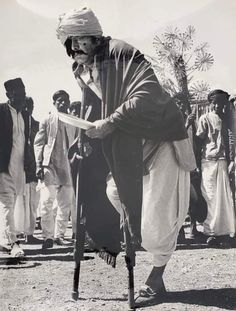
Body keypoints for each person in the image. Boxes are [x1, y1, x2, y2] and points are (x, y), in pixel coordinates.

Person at [56, 8, 196, 299]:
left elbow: (146, 92)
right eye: (68, 42)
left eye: (79, 40)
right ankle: (153, 229)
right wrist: (84, 134)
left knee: (156, 218)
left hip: (162, 137)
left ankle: (157, 275)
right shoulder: (81, 67)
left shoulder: (122, 53)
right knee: (115, 193)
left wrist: (111, 122)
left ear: (94, 36)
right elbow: (92, 103)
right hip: (129, 144)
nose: (73, 48)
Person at [34, 90, 76, 250]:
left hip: (68, 166)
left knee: (65, 204)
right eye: (60, 101)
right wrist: (39, 164)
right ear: (54, 103)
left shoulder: (74, 121)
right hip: (49, 166)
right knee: (46, 202)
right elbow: (39, 143)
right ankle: (47, 237)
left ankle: (59, 236)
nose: (64, 103)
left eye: (66, 100)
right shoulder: (48, 119)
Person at [196, 89, 236, 247]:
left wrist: (232, 160)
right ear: (210, 103)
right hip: (208, 162)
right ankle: (211, 233)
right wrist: (197, 163)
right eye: (216, 102)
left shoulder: (228, 119)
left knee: (224, 198)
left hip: (224, 162)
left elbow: (232, 141)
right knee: (211, 197)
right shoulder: (205, 118)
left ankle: (225, 231)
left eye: (222, 102)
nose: (219, 105)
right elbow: (199, 141)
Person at [0, 78, 33, 257]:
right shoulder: (1, 111)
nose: (22, 97)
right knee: (7, 203)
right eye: (18, 94)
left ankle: (5, 238)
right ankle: (11, 242)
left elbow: (24, 142)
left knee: (10, 205)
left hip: (18, 168)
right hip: (3, 167)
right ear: (8, 95)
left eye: (23, 93)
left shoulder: (25, 115)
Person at [14, 97, 41, 244]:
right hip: (19, 168)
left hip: (33, 169)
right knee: (20, 202)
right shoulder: (15, 125)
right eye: (25, 106)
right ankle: (17, 233)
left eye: (30, 106)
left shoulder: (36, 125)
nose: (28, 109)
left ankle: (29, 234)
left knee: (32, 203)